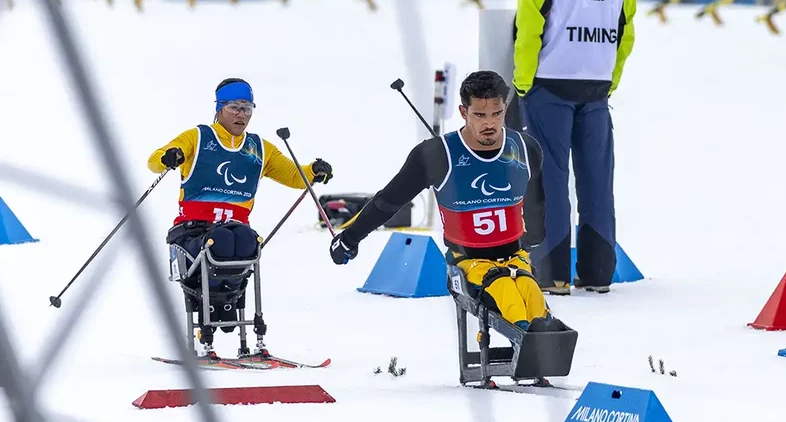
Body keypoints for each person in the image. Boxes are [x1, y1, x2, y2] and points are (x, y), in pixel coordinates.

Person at [327, 71, 566, 332]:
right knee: (508, 296)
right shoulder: (437, 155)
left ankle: (545, 344)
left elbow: (537, 205)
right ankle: (535, 343)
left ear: (505, 109)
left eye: (496, 113)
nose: (490, 124)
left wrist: (532, 239)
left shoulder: (525, 149)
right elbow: (389, 201)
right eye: (480, 115)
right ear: (463, 112)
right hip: (468, 264)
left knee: (532, 297)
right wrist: (350, 238)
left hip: (515, 258)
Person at [512, 0, 637, 295]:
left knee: (550, 180)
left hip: (549, 85)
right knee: (598, 181)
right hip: (597, 89)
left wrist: (522, 81)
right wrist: (610, 80)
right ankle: (599, 273)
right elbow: (625, 32)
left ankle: (554, 275)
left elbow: (530, 26)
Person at [147, 77, 333, 351]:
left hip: (235, 229)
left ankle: (229, 307)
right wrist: (169, 156)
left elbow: (295, 176)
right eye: (234, 107)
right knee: (220, 242)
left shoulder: (259, 148)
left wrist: (313, 170)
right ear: (219, 108)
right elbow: (154, 160)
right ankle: (210, 308)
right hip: (194, 230)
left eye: (247, 108)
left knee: (248, 241)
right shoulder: (198, 138)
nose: (241, 115)